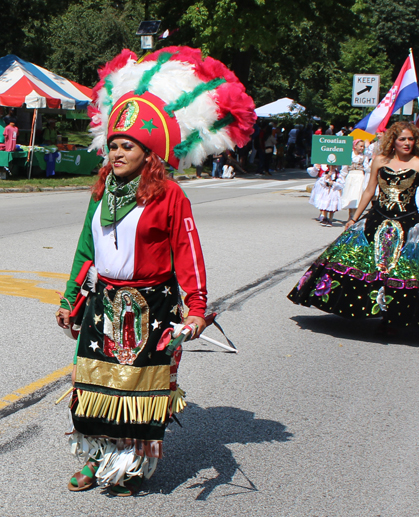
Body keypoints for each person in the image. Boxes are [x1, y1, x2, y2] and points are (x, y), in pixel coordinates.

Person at [55, 46, 256, 496]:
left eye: (127, 146)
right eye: (113, 144)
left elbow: (189, 254)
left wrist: (197, 308)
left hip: (154, 305)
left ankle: (128, 467)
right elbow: (86, 247)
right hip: (103, 302)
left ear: (150, 154)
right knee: (89, 385)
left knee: (140, 397)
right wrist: (70, 297)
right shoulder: (102, 190)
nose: (117, 152)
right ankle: (92, 458)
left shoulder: (169, 196)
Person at [288, 121, 419, 330]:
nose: (407, 143)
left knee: (403, 270)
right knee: (365, 263)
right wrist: (353, 219)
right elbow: (369, 190)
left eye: (410, 139)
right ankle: (364, 308)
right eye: (402, 139)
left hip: (409, 222)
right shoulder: (379, 160)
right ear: (393, 140)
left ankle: (393, 318)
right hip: (377, 218)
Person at [340, 139, 370, 221]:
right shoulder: (349, 156)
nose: (362, 148)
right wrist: (342, 179)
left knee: (357, 196)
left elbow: (367, 168)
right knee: (350, 196)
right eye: (360, 146)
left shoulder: (364, 157)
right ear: (355, 146)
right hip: (351, 176)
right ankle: (351, 215)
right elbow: (344, 169)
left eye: (363, 146)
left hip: (360, 177)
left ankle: (355, 216)